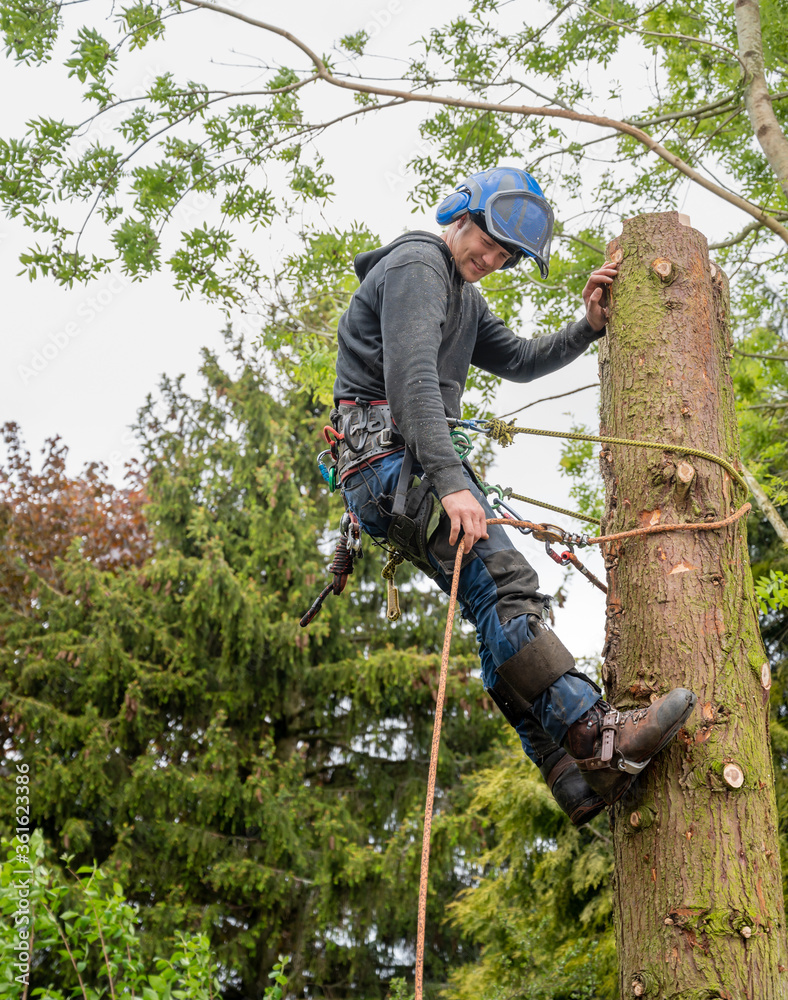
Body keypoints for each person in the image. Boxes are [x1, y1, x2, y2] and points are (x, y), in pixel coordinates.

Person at [331, 167, 695, 825]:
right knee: (505, 585)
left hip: (393, 472)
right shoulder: (418, 263)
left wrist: (588, 326)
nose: (491, 259)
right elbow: (412, 383)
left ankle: (570, 776)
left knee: (489, 601)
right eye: (489, 242)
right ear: (460, 214)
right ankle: (595, 736)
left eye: (506, 256)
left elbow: (522, 360)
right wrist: (450, 484)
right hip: (397, 463)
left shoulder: (463, 298)